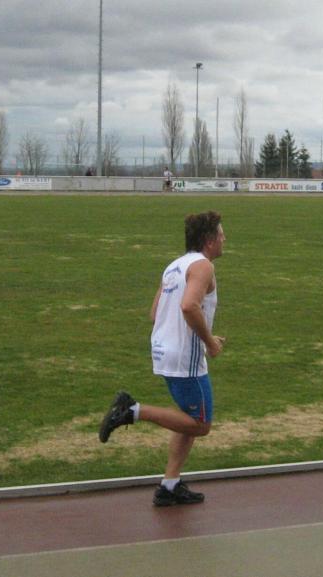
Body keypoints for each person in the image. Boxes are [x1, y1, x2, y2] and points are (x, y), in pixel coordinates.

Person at [99, 211, 226, 507]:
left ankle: (169, 485)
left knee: (187, 420)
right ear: (209, 241)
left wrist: (201, 335)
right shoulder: (203, 266)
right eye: (221, 235)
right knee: (201, 425)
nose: (225, 240)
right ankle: (132, 410)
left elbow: (155, 313)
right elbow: (189, 306)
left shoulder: (173, 266)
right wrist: (209, 342)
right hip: (185, 358)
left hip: (164, 351)